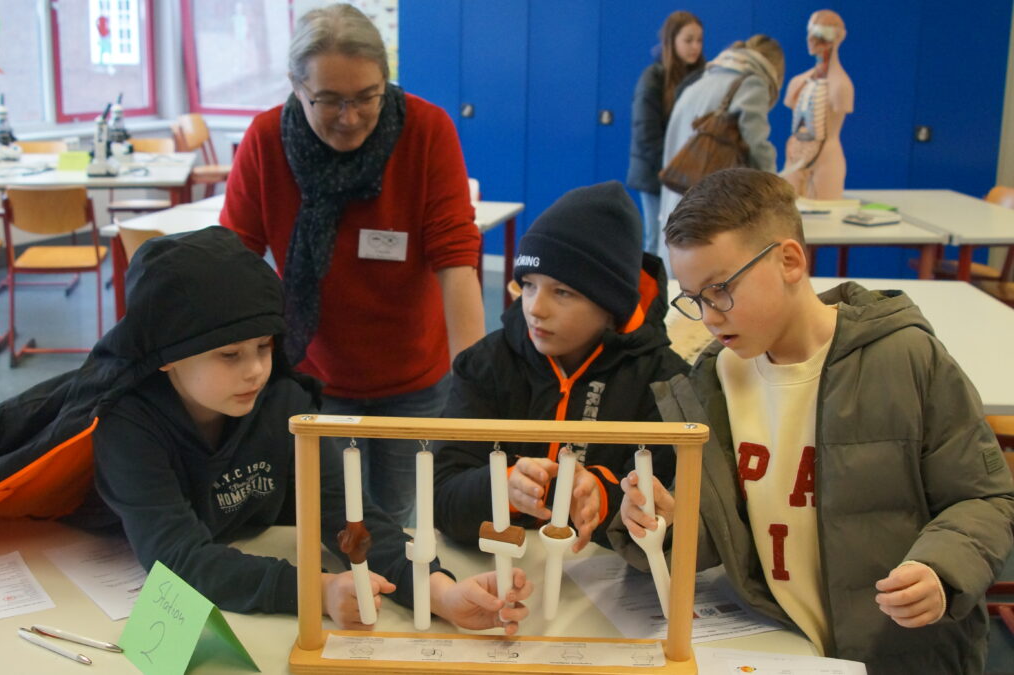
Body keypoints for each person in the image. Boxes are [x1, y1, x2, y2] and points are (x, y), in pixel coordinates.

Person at [0, 227, 531, 632]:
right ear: (164, 357)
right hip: (86, 569)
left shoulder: (282, 402)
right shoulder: (127, 426)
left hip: (239, 555)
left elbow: (352, 517)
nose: (256, 371)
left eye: (264, 347)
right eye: (229, 355)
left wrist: (438, 590)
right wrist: (317, 591)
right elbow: (178, 558)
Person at [609, 169, 1014, 674]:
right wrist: (668, 522)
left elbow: (984, 498)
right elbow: (728, 529)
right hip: (784, 648)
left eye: (720, 289)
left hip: (900, 653)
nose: (709, 316)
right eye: (694, 298)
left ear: (790, 261)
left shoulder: (906, 359)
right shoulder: (716, 378)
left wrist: (941, 569)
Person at [221, 3, 484, 527]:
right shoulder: (267, 139)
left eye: (367, 96)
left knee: (400, 517)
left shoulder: (426, 130)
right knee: (336, 521)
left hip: (414, 376)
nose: (350, 116)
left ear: (385, 80)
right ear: (296, 86)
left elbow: (457, 260)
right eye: (329, 100)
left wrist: (475, 389)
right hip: (314, 377)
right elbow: (231, 262)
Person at [434, 182, 689, 552]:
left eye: (562, 292)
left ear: (611, 306)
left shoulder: (664, 382)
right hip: (500, 571)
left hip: (604, 575)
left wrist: (604, 498)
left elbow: (679, 515)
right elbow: (441, 500)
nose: (535, 308)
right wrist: (503, 487)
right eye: (529, 285)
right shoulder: (486, 364)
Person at [657, 35, 785, 262]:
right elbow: (757, 144)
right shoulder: (752, 83)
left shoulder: (697, 84)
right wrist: (778, 192)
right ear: (775, 70)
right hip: (714, 213)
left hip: (677, 206)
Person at [627, 11, 704, 255]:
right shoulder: (653, 77)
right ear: (671, 41)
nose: (695, 46)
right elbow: (646, 132)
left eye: (699, 40)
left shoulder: (704, 77)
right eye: (688, 40)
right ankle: (652, 282)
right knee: (656, 239)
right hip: (656, 174)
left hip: (688, 174)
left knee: (687, 240)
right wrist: (675, 166)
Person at [781, 10, 854, 200]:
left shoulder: (840, 85)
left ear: (838, 37)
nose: (812, 39)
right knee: (787, 208)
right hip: (795, 153)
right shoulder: (798, 82)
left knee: (825, 209)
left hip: (826, 156)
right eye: (811, 32)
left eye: (822, 34)